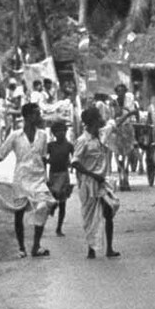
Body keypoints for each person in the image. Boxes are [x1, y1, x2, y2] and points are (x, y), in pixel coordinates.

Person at [0, 103, 56, 258]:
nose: (39, 117)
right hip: (21, 179)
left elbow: (43, 158)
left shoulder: (43, 135)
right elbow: (1, 154)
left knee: (45, 206)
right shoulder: (15, 136)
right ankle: (21, 247)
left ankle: (36, 245)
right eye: (36, 114)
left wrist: (47, 177)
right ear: (28, 116)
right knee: (19, 213)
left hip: (38, 178)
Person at [72, 107, 121, 259]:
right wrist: (92, 174)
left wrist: (131, 114)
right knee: (91, 217)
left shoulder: (101, 135)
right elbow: (75, 162)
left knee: (109, 210)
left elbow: (114, 125)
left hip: (101, 183)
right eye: (99, 117)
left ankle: (109, 248)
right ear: (93, 121)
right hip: (88, 184)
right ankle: (91, 249)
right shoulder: (82, 141)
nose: (102, 119)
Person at [47, 122, 74, 237]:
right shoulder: (50, 146)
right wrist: (48, 162)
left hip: (64, 174)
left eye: (62, 131)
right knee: (53, 197)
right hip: (53, 174)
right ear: (54, 133)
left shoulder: (69, 146)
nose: (60, 133)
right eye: (58, 131)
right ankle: (53, 206)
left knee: (63, 202)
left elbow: (75, 158)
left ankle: (59, 227)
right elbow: (43, 159)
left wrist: (71, 164)